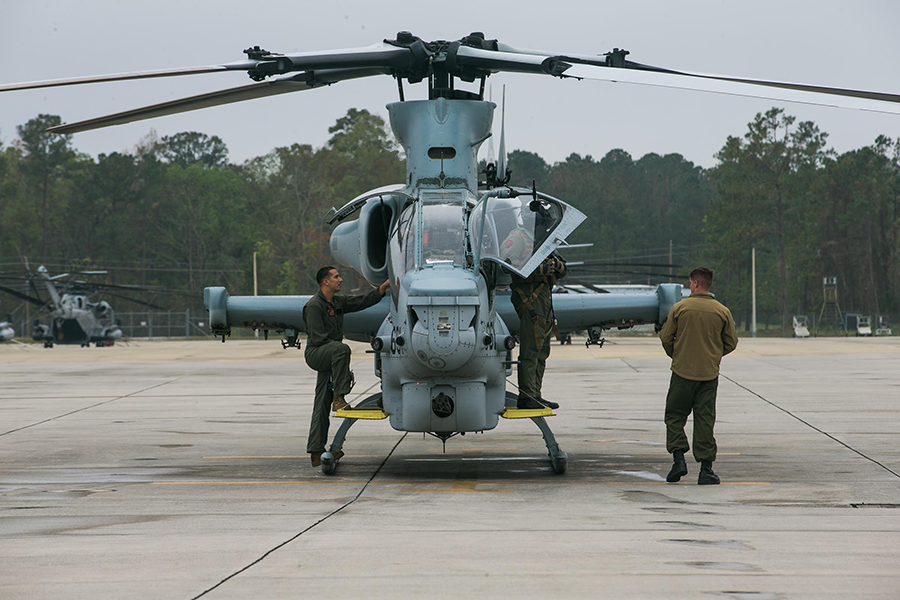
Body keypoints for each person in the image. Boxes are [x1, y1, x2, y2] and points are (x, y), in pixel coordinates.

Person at [303, 266, 390, 467]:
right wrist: (337, 364)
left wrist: (382, 289)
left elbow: (361, 302)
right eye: (336, 277)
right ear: (325, 281)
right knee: (342, 349)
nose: (340, 279)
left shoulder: (337, 302)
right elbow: (318, 339)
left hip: (330, 354)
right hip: (318, 352)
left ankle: (316, 451)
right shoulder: (314, 306)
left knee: (321, 403)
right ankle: (339, 397)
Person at [658, 266, 738, 484]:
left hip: (682, 373)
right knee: (705, 420)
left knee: (674, 416)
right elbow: (731, 342)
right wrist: (712, 355)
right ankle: (705, 470)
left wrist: (678, 355)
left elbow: (666, 338)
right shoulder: (722, 311)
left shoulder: (679, 308)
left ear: (694, 283)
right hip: (708, 375)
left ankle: (678, 461)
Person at [501, 226, 567, 410]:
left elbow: (562, 268)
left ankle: (535, 394)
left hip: (544, 301)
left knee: (542, 349)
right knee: (531, 348)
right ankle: (527, 396)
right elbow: (508, 265)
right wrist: (542, 269)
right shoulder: (518, 238)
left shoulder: (545, 242)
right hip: (529, 299)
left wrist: (554, 266)